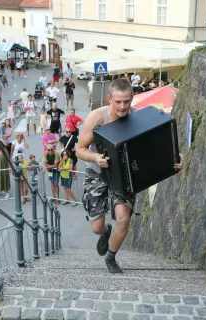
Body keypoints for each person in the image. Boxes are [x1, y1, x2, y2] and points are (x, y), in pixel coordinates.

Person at [76, 79, 185, 273]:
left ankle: (111, 257)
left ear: (132, 98)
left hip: (123, 174)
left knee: (123, 218)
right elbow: (80, 150)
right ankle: (106, 232)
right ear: (109, 99)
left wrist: (176, 156)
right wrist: (96, 157)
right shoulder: (97, 117)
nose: (122, 106)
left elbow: (156, 144)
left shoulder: (138, 117)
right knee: (96, 227)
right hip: (97, 171)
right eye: (118, 102)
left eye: (126, 101)